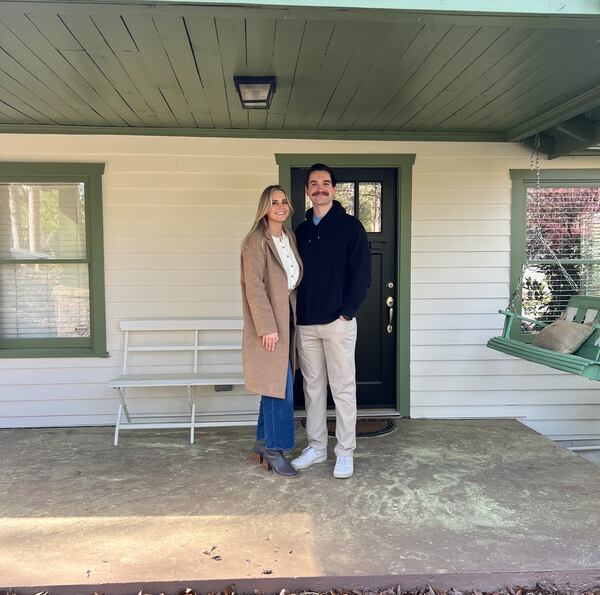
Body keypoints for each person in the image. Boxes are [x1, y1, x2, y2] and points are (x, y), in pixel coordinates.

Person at [291, 163, 371, 479]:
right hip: (307, 323)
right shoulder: (301, 230)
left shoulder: (351, 227)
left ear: (333, 190)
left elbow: (363, 275)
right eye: (314, 183)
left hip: (338, 322)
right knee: (312, 389)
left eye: (325, 183)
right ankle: (316, 447)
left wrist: (347, 312)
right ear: (308, 191)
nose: (319, 188)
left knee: (342, 389)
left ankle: (345, 452)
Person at [240, 185, 303, 478]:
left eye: (284, 201)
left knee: (274, 384)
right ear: (265, 207)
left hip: (287, 321)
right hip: (269, 326)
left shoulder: (288, 236)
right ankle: (276, 451)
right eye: (274, 202)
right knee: (281, 388)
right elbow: (254, 286)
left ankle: (262, 443)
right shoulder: (255, 241)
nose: (280, 206)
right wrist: (266, 327)